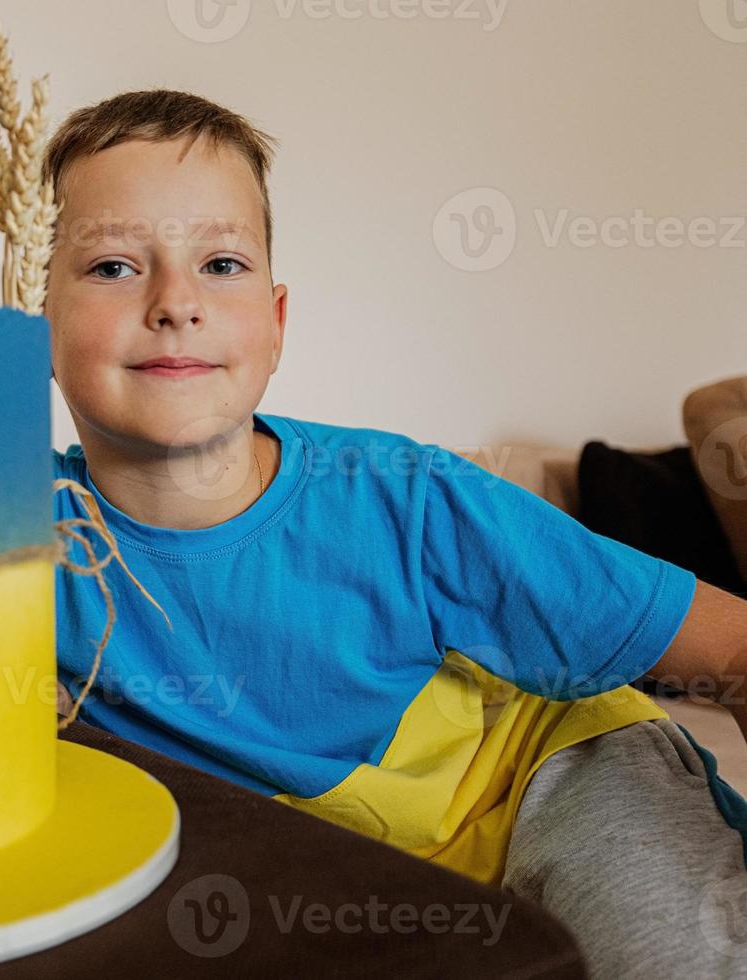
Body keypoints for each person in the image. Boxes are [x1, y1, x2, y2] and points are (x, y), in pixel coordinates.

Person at [43, 88, 747, 976]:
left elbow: (730, 648)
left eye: (221, 263)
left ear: (276, 323)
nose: (176, 301)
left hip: (549, 778)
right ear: (36, 322)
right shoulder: (12, 540)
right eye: (112, 267)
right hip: (355, 867)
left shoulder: (402, 497)